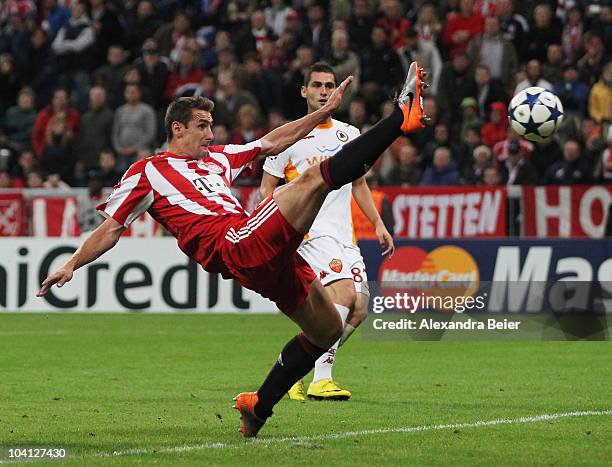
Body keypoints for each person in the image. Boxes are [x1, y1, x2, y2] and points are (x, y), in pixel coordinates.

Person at [37, 62, 427, 438]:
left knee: (326, 331)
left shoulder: (218, 159)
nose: (211, 134)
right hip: (236, 242)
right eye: (202, 127)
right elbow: (111, 228)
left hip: (266, 261)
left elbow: (273, 141)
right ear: (178, 129)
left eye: (211, 125)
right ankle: (399, 118)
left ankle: (259, 406)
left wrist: (322, 112)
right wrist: (72, 263)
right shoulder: (148, 171)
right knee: (312, 179)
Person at [259, 62, 395, 402]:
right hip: (309, 232)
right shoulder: (288, 137)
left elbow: (359, 183)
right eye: (317, 85)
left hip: (343, 234)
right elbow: (266, 191)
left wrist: (377, 223)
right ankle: (322, 378)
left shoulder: (348, 134)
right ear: (303, 91)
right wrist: (284, 231)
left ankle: (297, 368)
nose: (323, 91)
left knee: (360, 306)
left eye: (329, 85)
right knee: (345, 294)